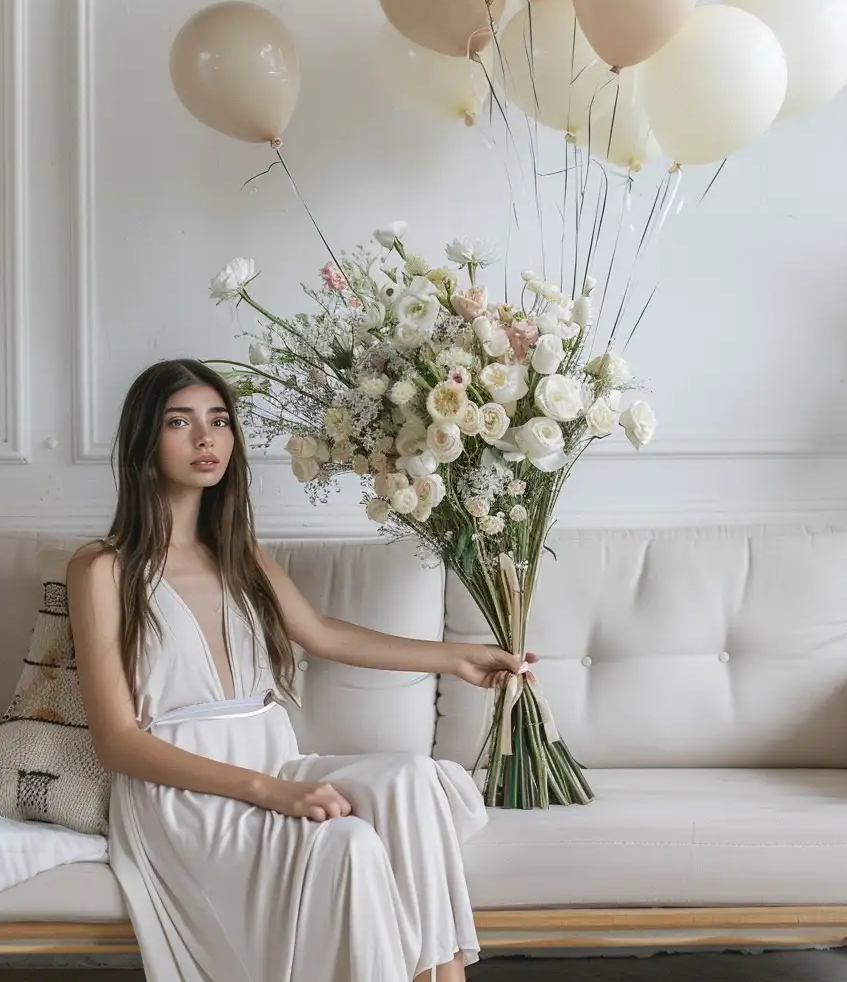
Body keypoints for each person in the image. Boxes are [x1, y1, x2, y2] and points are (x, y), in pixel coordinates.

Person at [68, 359, 519, 982]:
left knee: (412, 780)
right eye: (181, 422)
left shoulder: (239, 552)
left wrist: (457, 658)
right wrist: (271, 793)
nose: (206, 439)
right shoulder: (102, 568)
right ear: (145, 439)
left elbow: (324, 634)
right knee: (352, 843)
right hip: (185, 798)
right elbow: (117, 742)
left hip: (269, 757)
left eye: (219, 421)